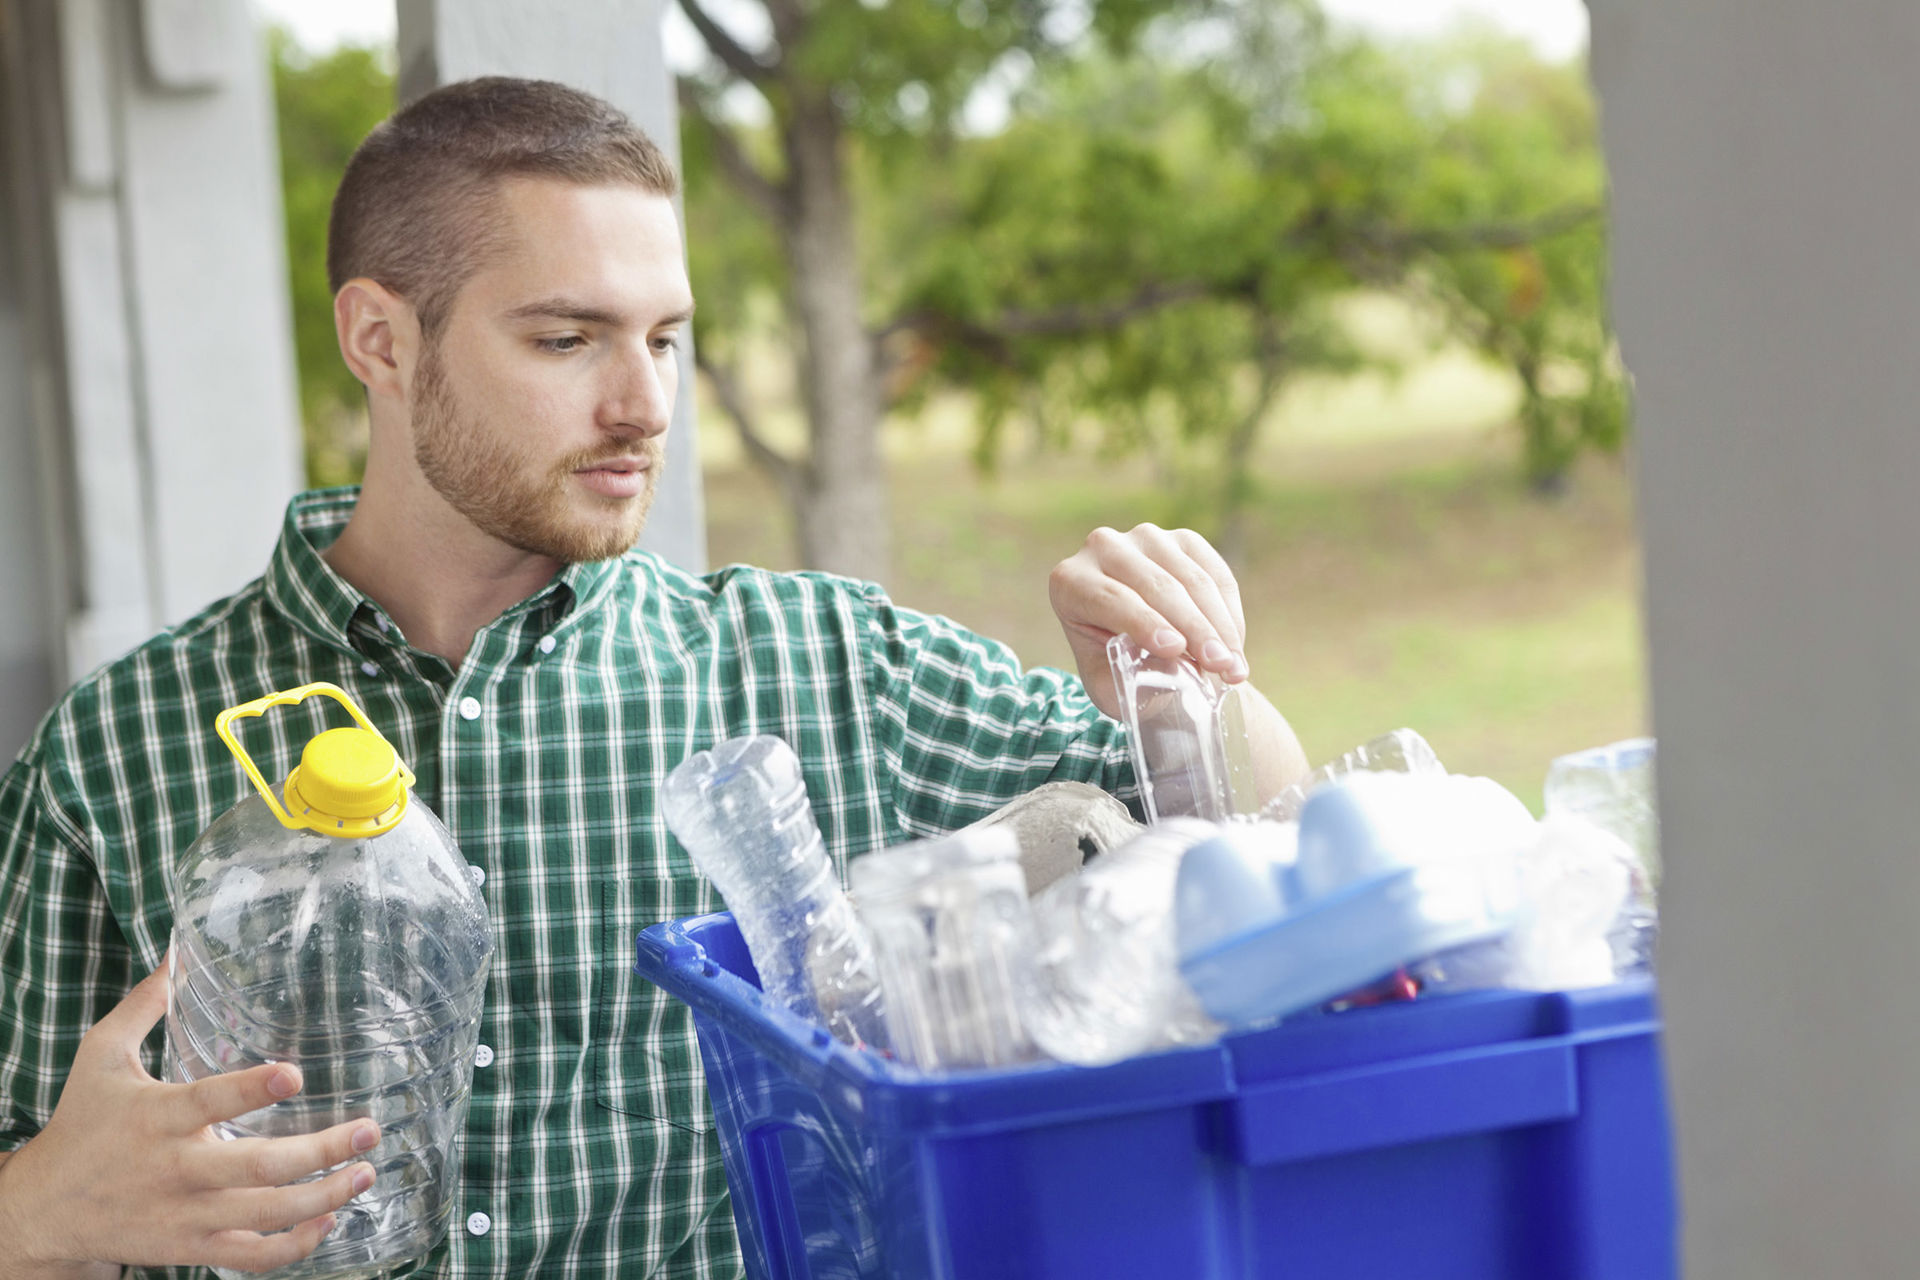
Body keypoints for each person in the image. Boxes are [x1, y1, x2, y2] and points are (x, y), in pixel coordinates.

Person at [0, 77, 1308, 1278]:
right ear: (381, 342)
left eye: (666, 339)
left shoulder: (822, 666)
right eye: (568, 341)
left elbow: (1271, 842)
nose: (644, 406)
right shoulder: (117, 746)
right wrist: (44, 1206)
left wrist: (1188, 674)